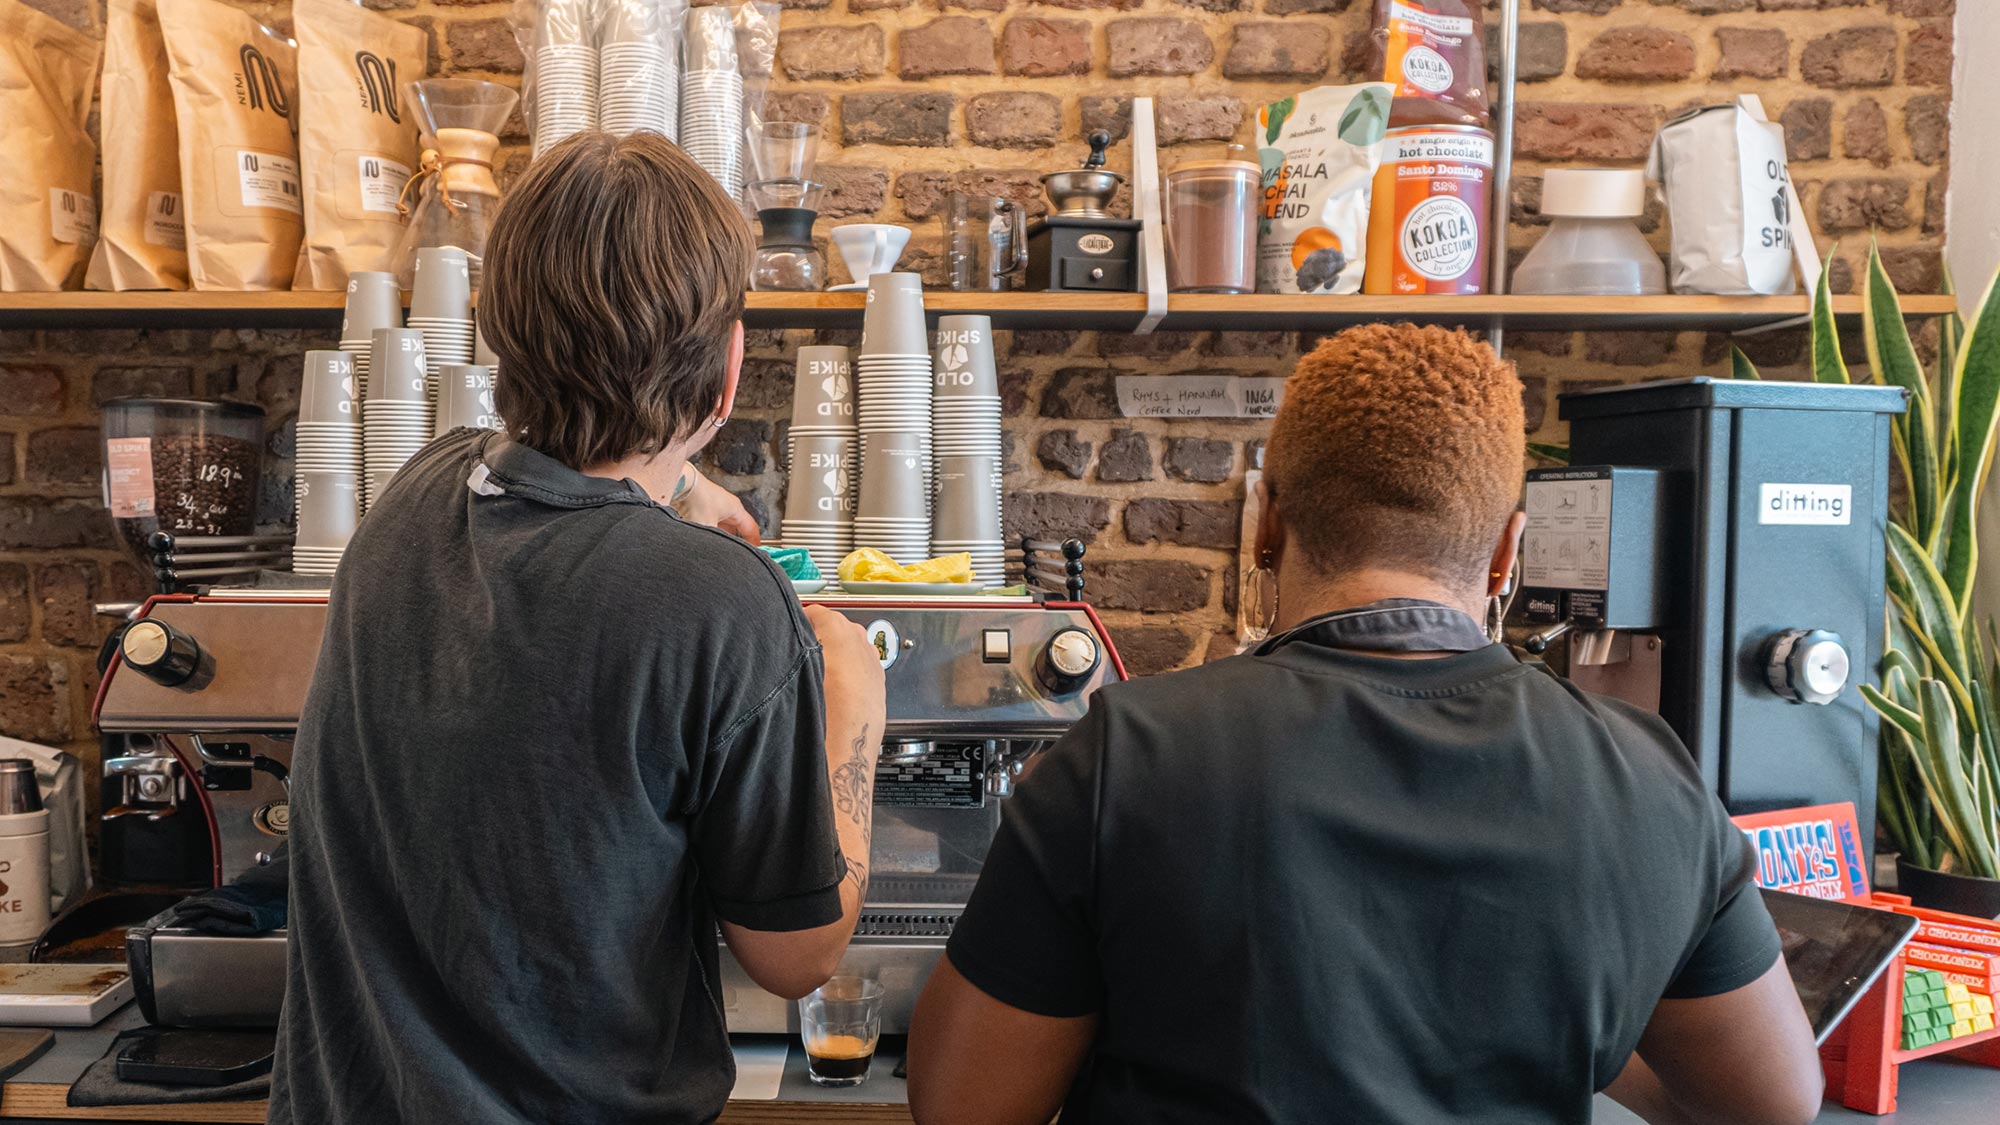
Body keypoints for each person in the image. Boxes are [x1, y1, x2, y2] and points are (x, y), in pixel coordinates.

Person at [907, 324, 1822, 1125]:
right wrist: (1571, 1024)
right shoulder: (1648, 774)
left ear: (1266, 524)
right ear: (1509, 549)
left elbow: (963, 1106)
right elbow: (1771, 1101)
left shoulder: (1124, 757)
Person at [269, 132, 886, 1124]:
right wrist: (852, 694)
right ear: (728, 371)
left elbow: (533, 453)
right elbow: (794, 958)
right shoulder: (723, 603)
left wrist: (678, 479)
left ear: (496, 333)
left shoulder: (417, 491)